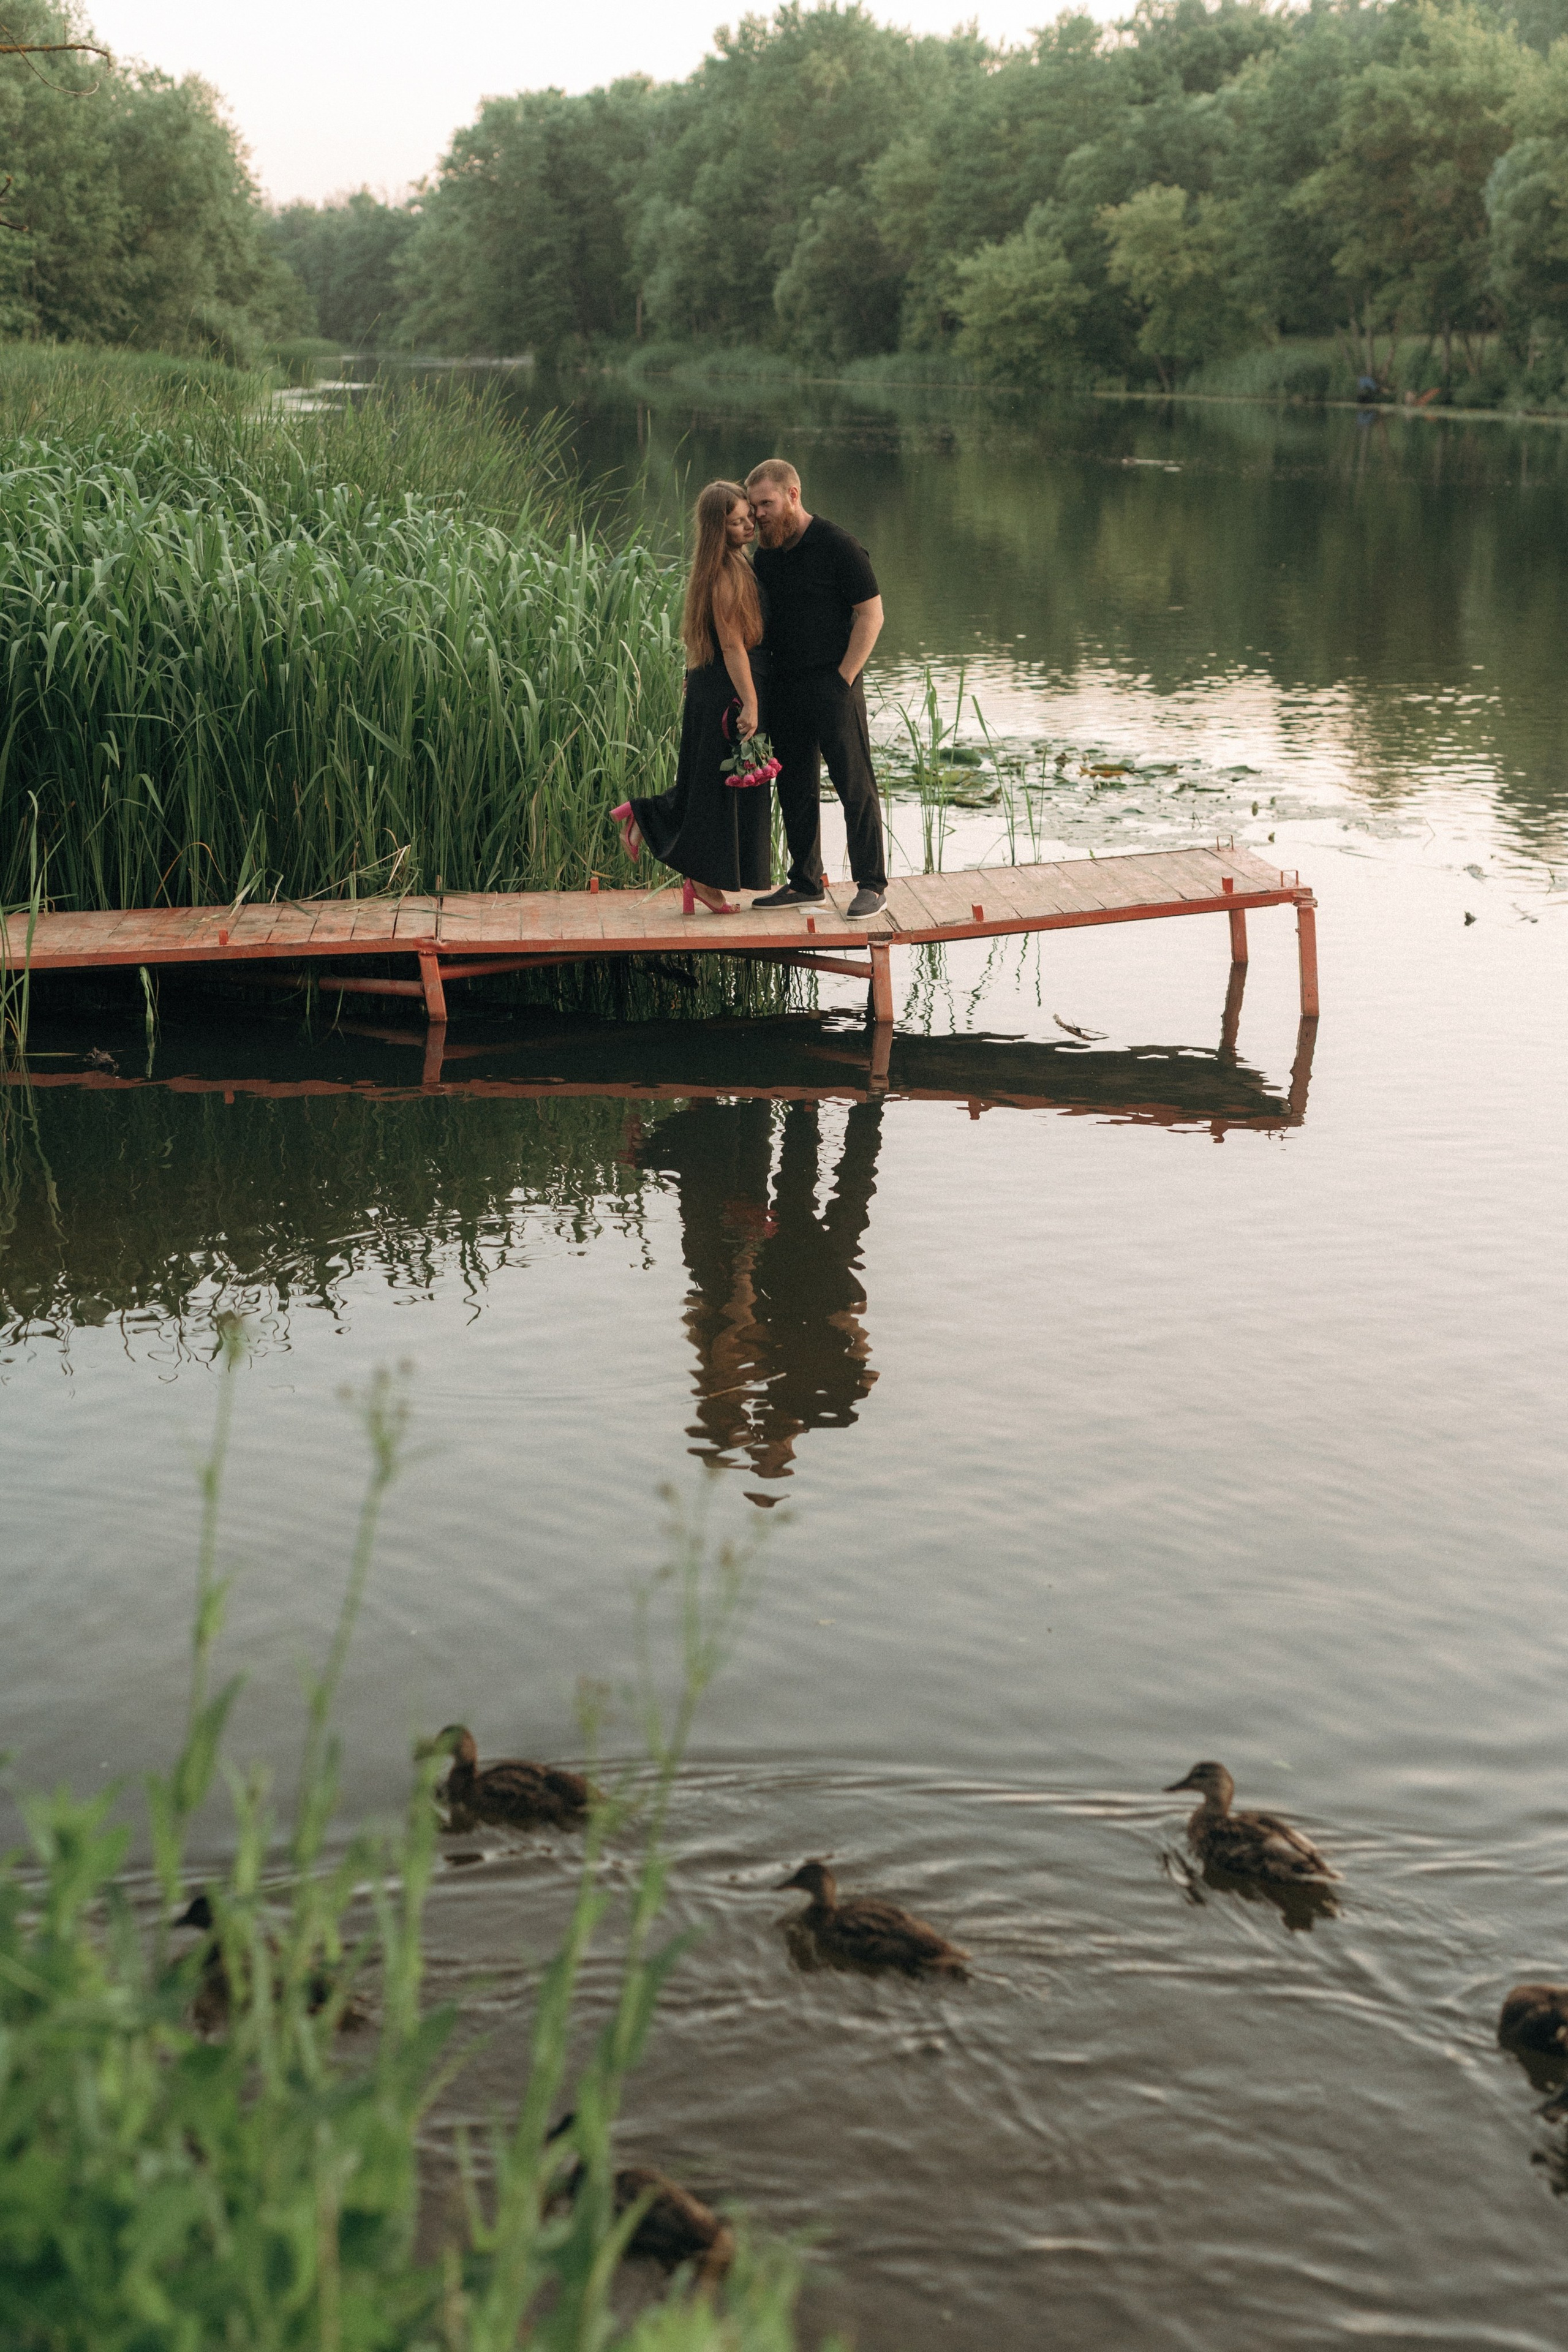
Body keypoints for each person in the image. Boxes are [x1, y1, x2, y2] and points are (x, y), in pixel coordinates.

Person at [614, 480, 771, 914]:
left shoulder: (731, 564)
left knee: (710, 782)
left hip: (716, 683)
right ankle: (696, 875)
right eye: (737, 522)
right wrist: (751, 703)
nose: (749, 526)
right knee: (718, 786)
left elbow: (704, 635)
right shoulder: (724, 574)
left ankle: (653, 827)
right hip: (729, 690)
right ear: (718, 529)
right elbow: (732, 645)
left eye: (749, 517)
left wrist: (693, 672)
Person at [745, 459, 886, 918]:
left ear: (793, 495)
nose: (758, 514)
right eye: (753, 506)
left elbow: (871, 615)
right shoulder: (766, 556)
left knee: (854, 786)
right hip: (785, 686)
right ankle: (806, 882)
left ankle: (872, 885)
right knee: (794, 788)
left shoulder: (838, 545)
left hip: (834, 683)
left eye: (765, 504)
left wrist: (843, 679)